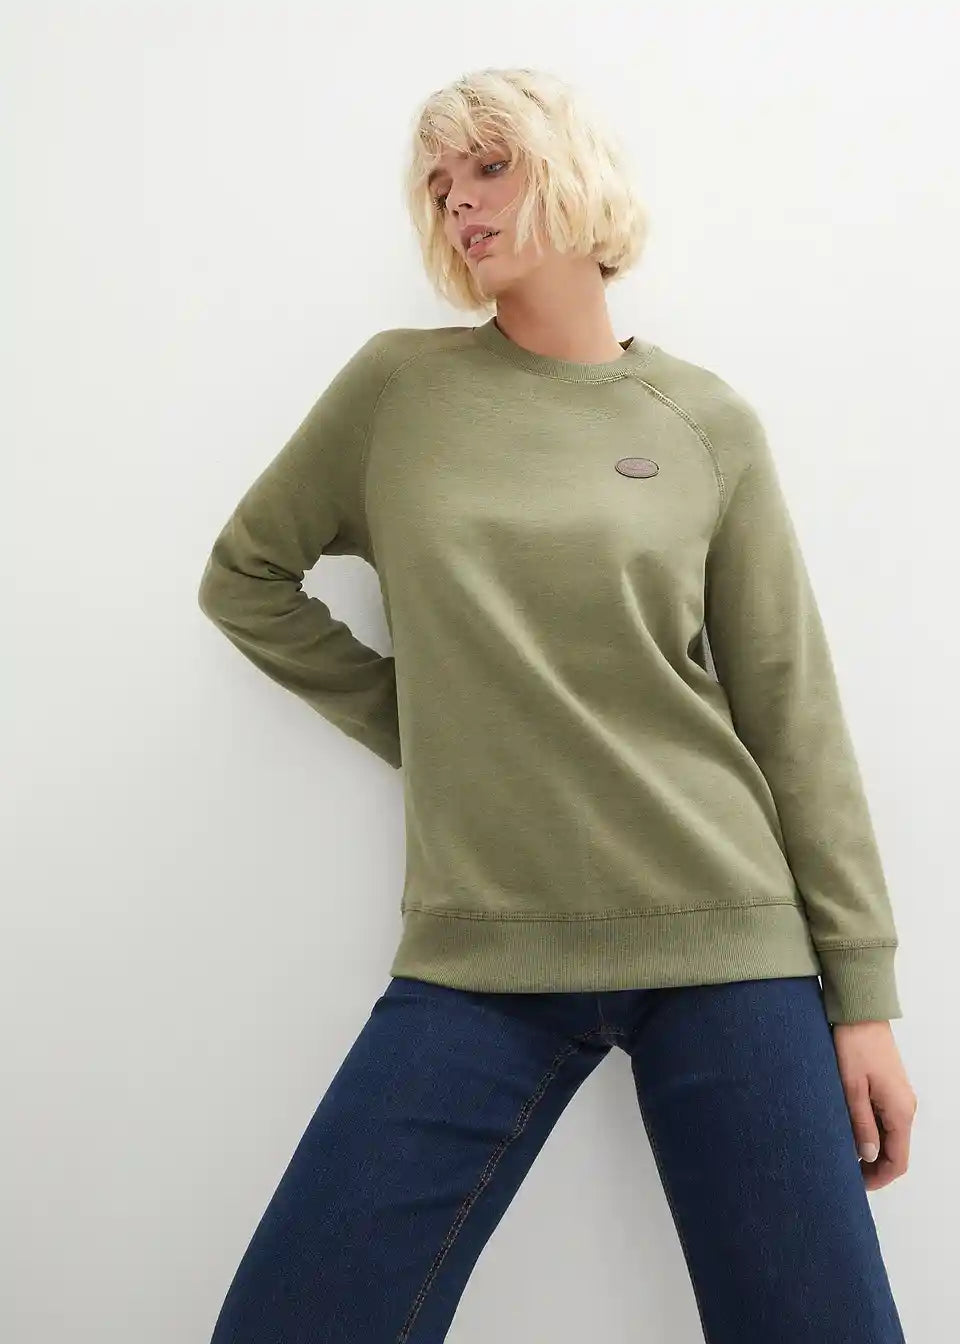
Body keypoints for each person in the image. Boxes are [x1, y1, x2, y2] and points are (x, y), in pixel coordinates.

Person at [197, 66, 915, 1343]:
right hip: (485, 951)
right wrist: (438, 733)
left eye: (492, 166)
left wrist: (863, 1000)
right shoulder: (397, 393)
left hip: (724, 937)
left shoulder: (704, 423)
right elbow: (245, 579)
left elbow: (790, 711)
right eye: (440, 185)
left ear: (573, 173)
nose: (461, 203)